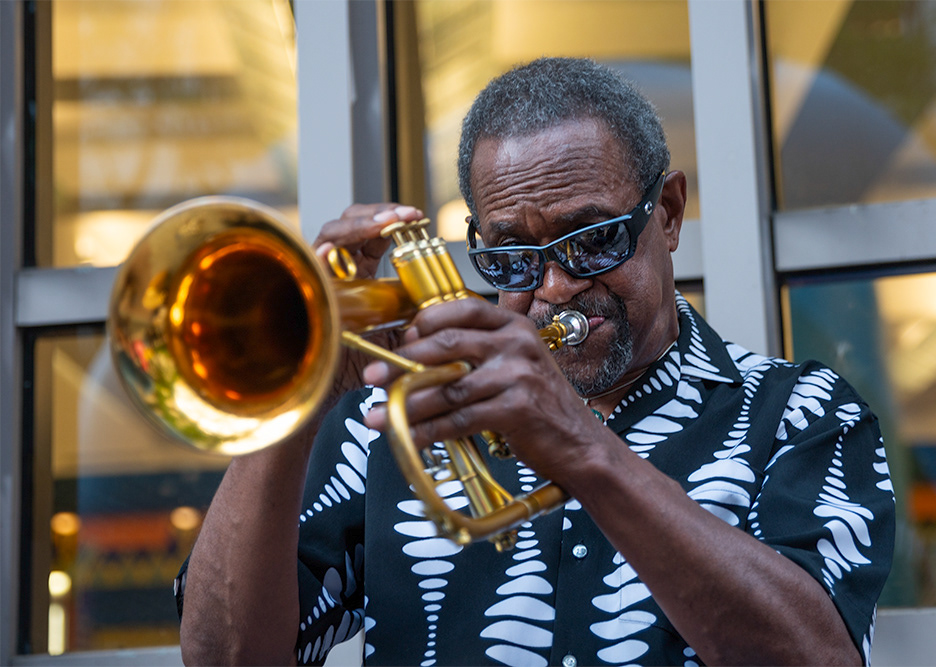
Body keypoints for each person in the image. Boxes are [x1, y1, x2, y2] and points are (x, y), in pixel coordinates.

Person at [175, 57, 895, 667]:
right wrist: (297, 404)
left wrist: (583, 451)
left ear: (668, 213)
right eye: (513, 256)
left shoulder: (799, 411)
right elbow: (222, 655)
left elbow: (820, 655)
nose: (554, 287)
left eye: (592, 239)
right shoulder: (384, 424)